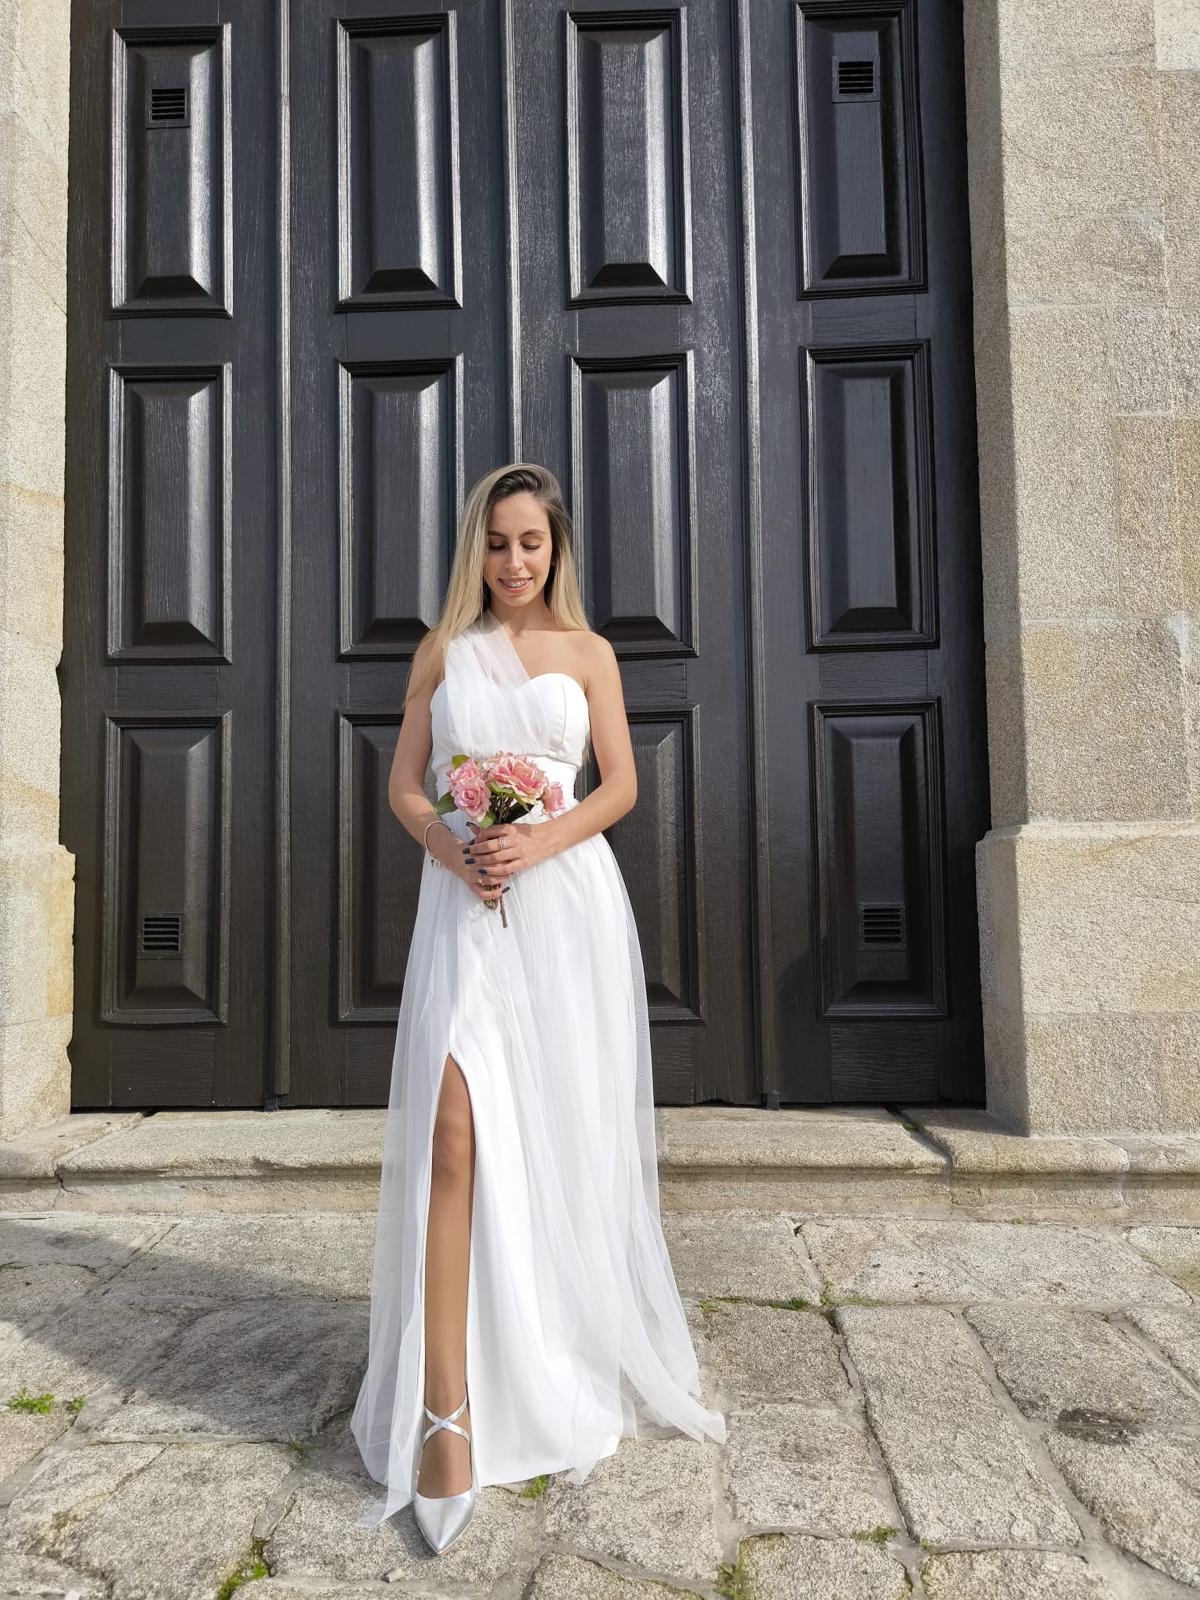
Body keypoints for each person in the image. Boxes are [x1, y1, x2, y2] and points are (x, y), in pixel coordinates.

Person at [350, 462, 727, 1551]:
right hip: (466, 907)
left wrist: (539, 835)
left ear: (556, 550)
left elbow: (620, 784)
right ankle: (444, 1413)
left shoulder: (591, 655)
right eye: (498, 542)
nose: (515, 562)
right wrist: (450, 842)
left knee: (558, 1135)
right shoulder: (442, 654)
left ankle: (547, 1351)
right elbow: (405, 784)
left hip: (563, 912)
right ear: (475, 547)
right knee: (453, 1133)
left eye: (533, 544)